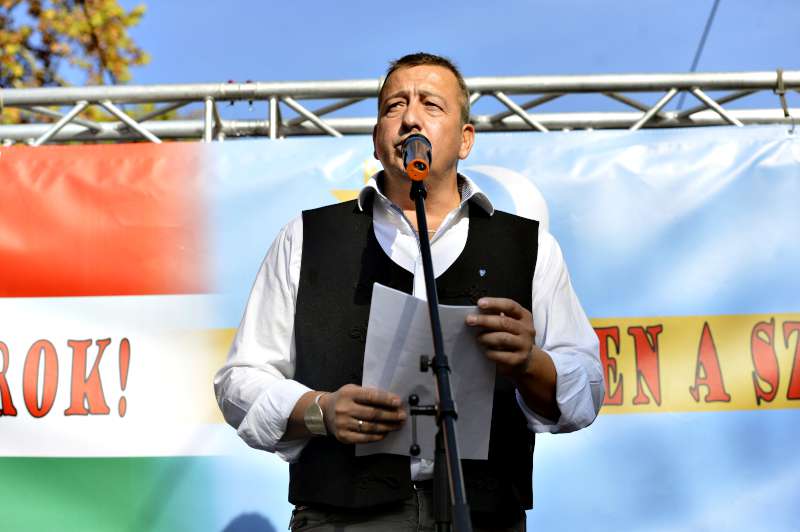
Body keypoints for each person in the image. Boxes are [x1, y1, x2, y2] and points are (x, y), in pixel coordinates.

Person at [214, 52, 603, 531]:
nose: (411, 118)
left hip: (483, 515)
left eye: (431, 105)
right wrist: (320, 411)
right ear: (377, 141)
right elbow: (240, 381)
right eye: (394, 106)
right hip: (343, 518)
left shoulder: (528, 246)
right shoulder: (306, 237)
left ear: (465, 139)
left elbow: (587, 387)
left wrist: (530, 363)